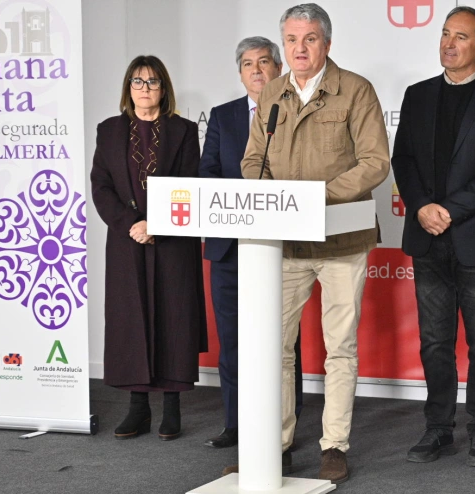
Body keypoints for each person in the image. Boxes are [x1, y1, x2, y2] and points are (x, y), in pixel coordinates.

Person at [239, 3, 390, 484]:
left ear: (326, 42)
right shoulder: (273, 94)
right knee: (275, 348)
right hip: (282, 245)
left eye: (308, 40)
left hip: (342, 239)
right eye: (291, 40)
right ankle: (275, 445)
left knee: (339, 348)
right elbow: (251, 161)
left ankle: (334, 446)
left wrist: (315, 198)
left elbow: (374, 162)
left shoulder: (355, 90)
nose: (299, 49)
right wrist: (270, 196)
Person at [391, 5, 475, 468]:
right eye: (445, 34)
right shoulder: (417, 94)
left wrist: (448, 209)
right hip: (427, 238)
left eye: (461, 37)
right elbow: (402, 159)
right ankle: (438, 428)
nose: (449, 43)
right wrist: (422, 207)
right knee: (434, 342)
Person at [90, 55, 207, 442]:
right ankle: (137, 409)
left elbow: (190, 184)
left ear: (164, 89)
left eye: (153, 82)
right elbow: (101, 187)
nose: (145, 89)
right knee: (131, 318)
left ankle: (171, 409)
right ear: (128, 89)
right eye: (137, 82)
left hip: (173, 240)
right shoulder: (108, 131)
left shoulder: (185, 130)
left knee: (174, 317)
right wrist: (132, 225)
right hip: (128, 241)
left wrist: (159, 223)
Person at [199, 36, 306, 450]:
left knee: (283, 341)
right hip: (229, 247)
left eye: (264, 62)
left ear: (279, 68)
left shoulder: (295, 108)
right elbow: (207, 172)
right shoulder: (224, 116)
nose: (257, 71)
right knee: (233, 340)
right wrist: (238, 205)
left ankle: (285, 425)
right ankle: (235, 422)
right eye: (247, 64)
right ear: (240, 73)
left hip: (281, 247)